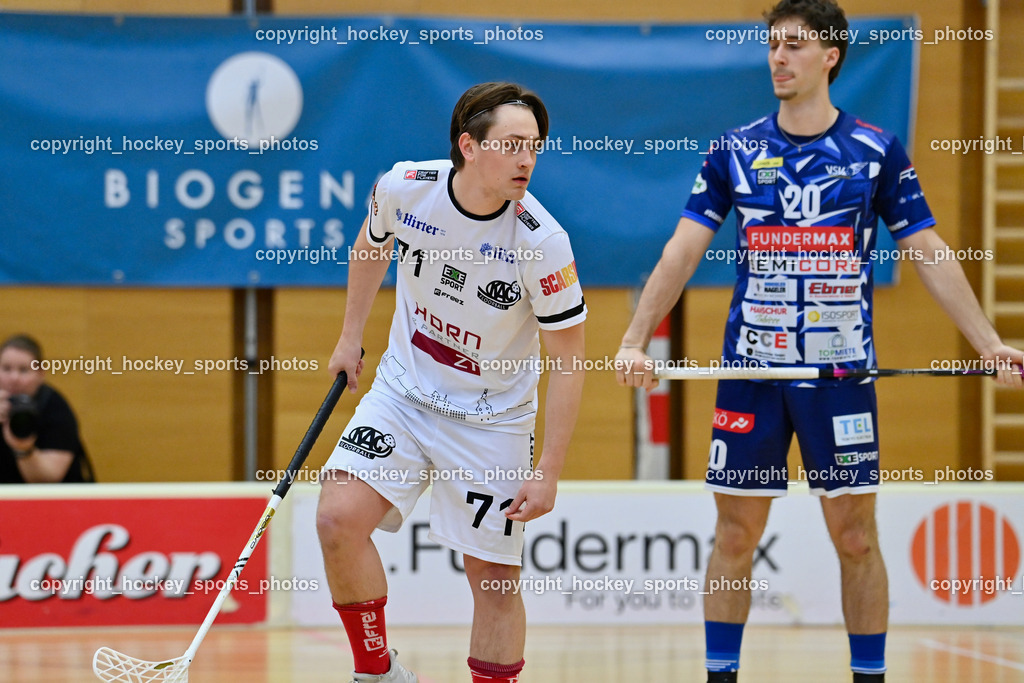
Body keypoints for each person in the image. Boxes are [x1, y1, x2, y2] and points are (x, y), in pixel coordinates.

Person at [614, 1, 1023, 681]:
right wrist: (633, 339)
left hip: (840, 378)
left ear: (831, 55)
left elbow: (926, 248)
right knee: (735, 535)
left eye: (795, 45)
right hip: (752, 371)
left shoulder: (875, 150)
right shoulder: (735, 149)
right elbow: (682, 251)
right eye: (773, 45)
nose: (778, 57)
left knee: (856, 538)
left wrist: (987, 342)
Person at [317, 82, 586, 683]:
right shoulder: (405, 188)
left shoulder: (541, 241)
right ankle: (377, 672)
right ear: (468, 145)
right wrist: (349, 336)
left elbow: (570, 361)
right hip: (404, 393)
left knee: (492, 582)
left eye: (534, 147)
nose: (527, 160)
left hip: (493, 422)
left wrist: (549, 470)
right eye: (513, 145)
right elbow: (370, 247)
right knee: (337, 519)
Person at [0, 334, 95, 483]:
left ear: (40, 374)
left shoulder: (55, 408)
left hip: (59, 501)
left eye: (23, 370)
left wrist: (23, 449)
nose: (14, 378)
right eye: (6, 369)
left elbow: (47, 480)